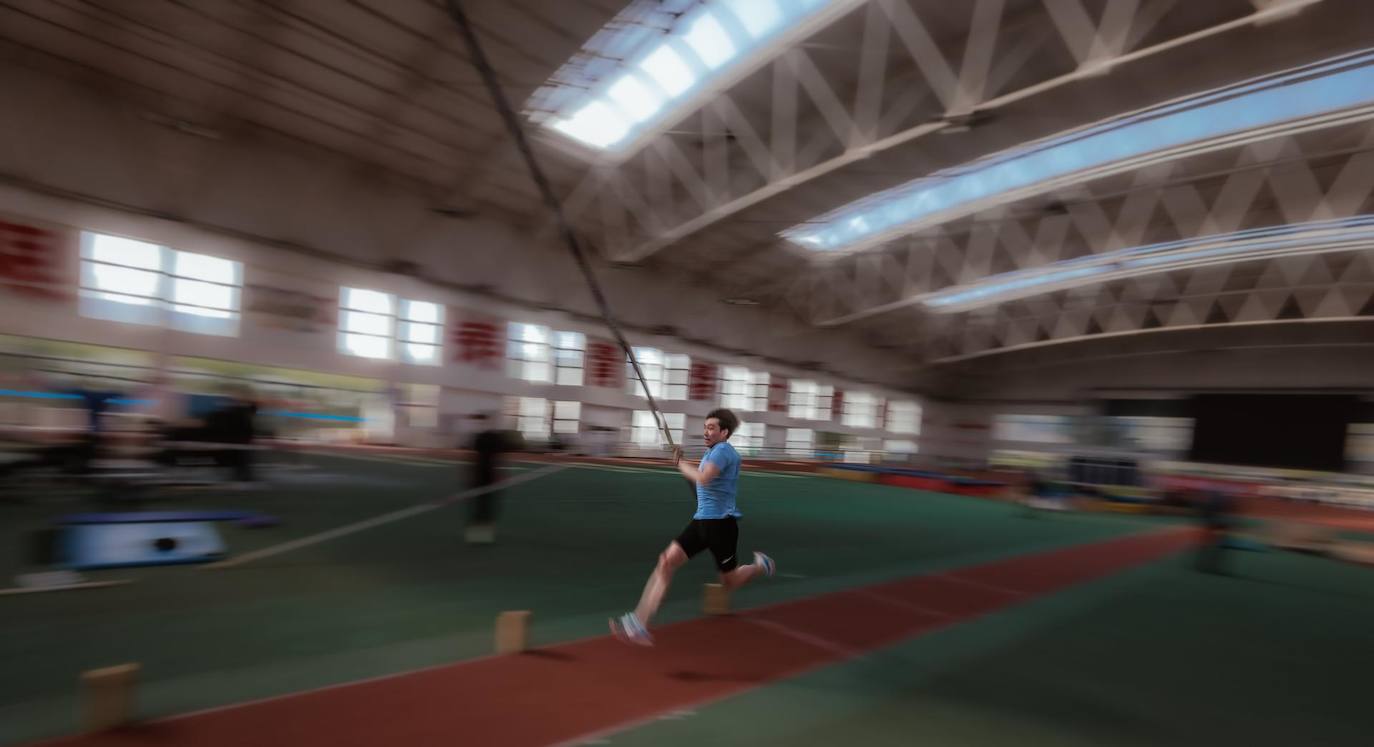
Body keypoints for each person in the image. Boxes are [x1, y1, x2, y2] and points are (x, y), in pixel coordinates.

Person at [610, 408, 775, 646]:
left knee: (730, 582)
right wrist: (683, 463)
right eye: (705, 427)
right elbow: (700, 484)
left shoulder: (724, 452)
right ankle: (640, 623)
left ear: (724, 432)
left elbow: (704, 478)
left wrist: (680, 464)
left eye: (711, 428)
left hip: (722, 527)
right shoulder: (712, 454)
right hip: (702, 522)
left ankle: (761, 565)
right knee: (666, 561)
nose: (706, 432)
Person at [466, 413, 508, 544]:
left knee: (482, 505)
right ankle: (482, 534)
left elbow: (494, 458)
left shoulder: (485, 437)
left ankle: (480, 534)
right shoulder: (489, 437)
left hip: (483, 474)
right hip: (485, 474)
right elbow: (498, 459)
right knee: (485, 505)